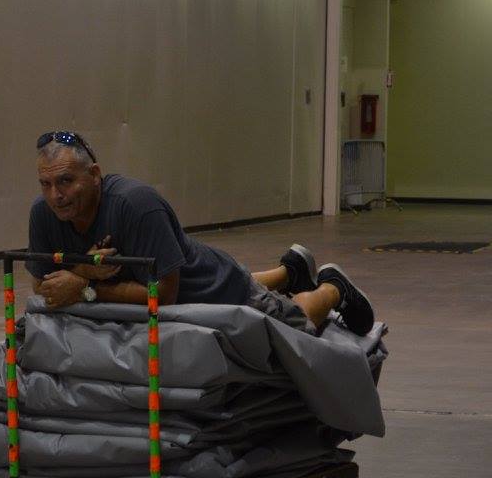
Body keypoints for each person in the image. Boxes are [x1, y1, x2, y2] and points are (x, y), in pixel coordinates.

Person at [26, 131, 375, 336]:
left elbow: (165, 295)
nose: (56, 195)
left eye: (66, 181)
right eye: (46, 184)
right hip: (191, 276)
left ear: (94, 174)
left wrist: (85, 288)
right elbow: (44, 286)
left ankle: (332, 288)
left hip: (216, 291)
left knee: (293, 328)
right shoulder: (43, 213)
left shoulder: (136, 205)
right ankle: (291, 271)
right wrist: (84, 271)